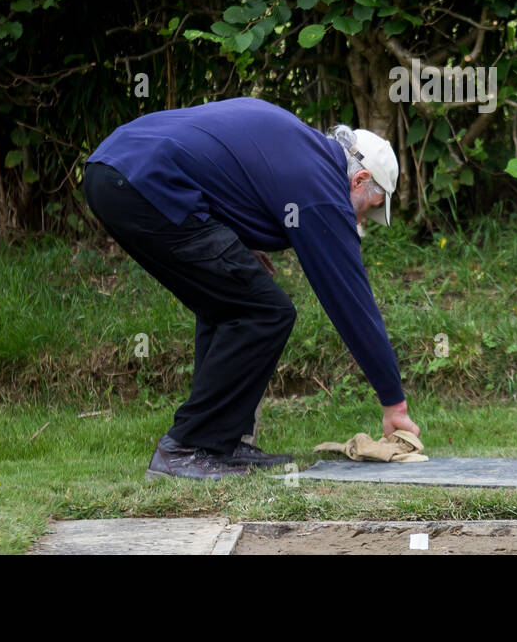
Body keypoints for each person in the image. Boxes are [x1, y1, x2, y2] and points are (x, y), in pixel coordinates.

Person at [83, 96, 420, 481]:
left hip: (115, 170)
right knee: (265, 312)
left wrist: (239, 241)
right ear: (359, 179)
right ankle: (187, 447)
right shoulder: (320, 184)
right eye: (368, 207)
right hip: (142, 183)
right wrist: (393, 401)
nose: (360, 219)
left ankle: (217, 442)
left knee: (230, 304)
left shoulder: (300, 147)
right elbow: (350, 301)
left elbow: (225, 169)